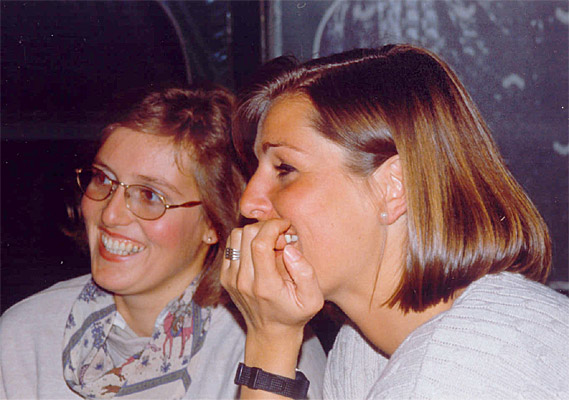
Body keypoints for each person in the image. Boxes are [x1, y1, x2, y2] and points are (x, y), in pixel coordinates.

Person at [220, 44, 569, 399]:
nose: (248, 203)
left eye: (285, 169)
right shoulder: (361, 350)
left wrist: (270, 341)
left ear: (394, 187)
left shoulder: (454, 373)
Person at [0, 85, 326, 399]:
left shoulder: (270, 346)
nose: (110, 214)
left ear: (213, 222)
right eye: (102, 178)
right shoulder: (26, 335)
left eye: (150, 196)